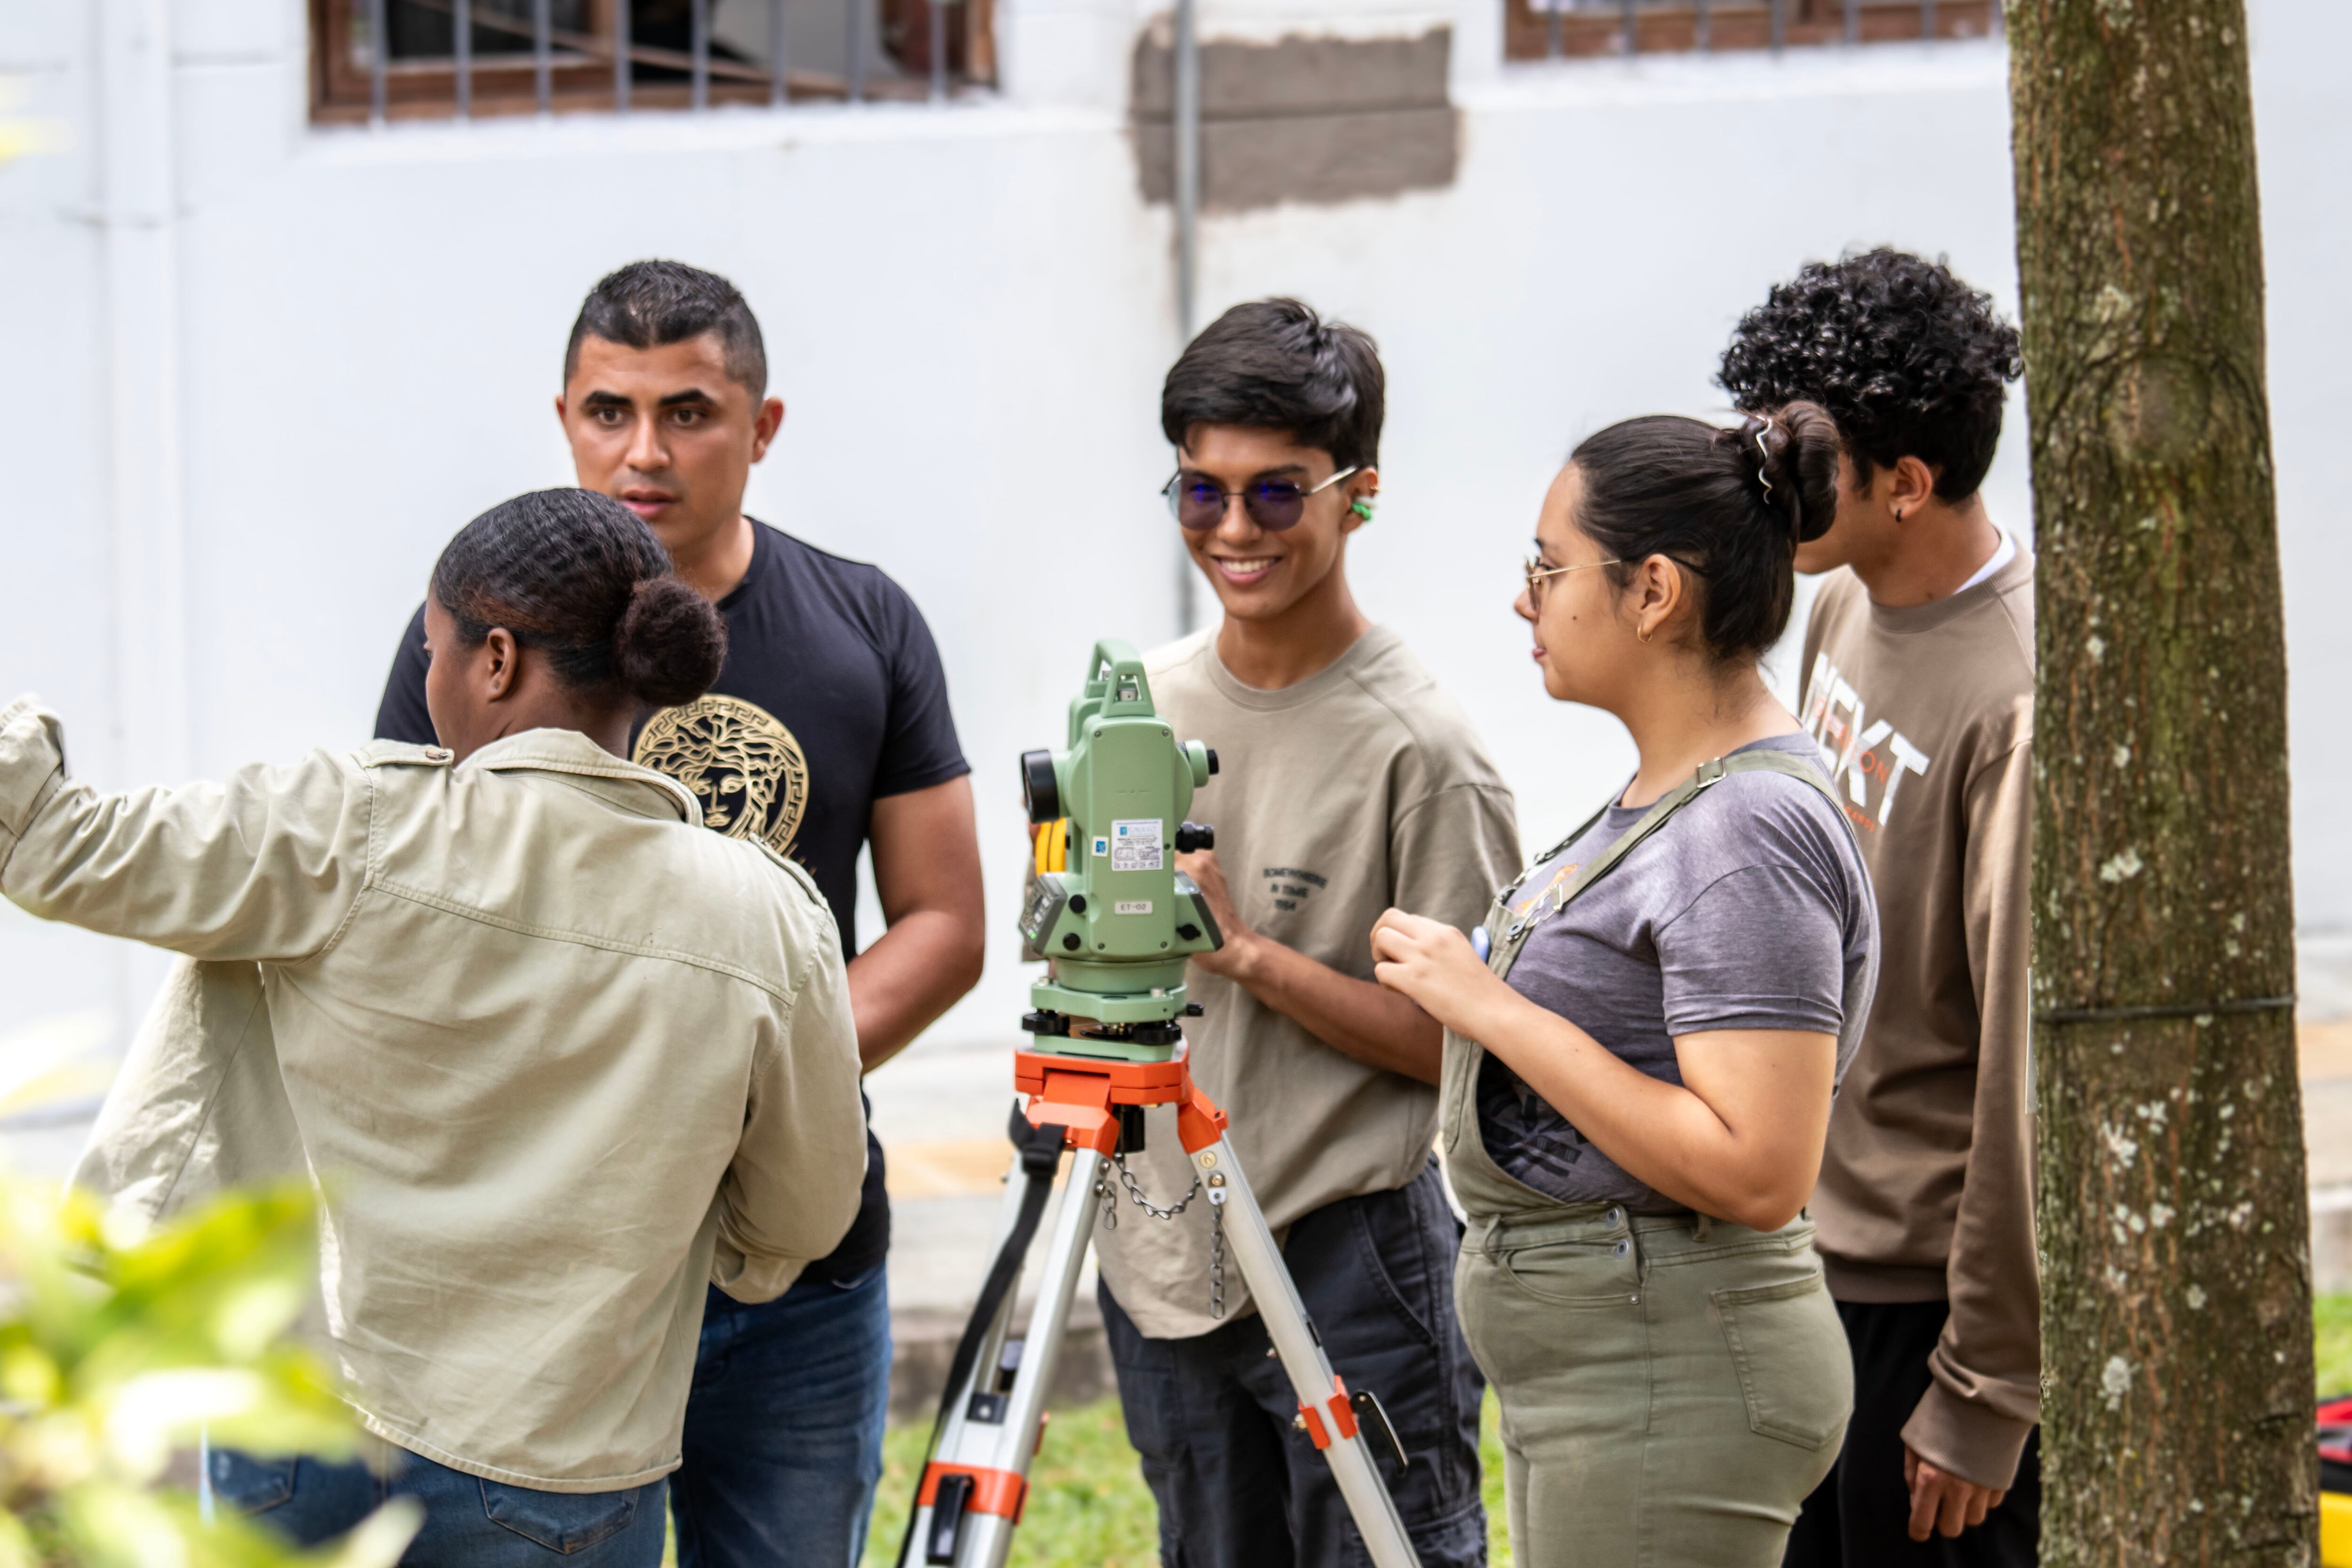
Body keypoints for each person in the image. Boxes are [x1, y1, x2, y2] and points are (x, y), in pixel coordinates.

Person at [18, 489, 869, 1564]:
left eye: (433, 648)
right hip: (569, 1471)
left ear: (496, 659)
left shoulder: (349, 826)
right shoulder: (765, 912)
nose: (427, 680)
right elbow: (808, 1206)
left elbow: (45, 841)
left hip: (313, 1429)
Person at [371, 260, 984, 1568]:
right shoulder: (473, 637)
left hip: (798, 1265)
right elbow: (402, 913)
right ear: (564, 419)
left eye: (691, 412)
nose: (644, 450)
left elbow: (943, 920)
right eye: (609, 410)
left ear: (762, 428)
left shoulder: (864, 622)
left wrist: (753, 1079)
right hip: (548, 1260)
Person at [1370, 404, 1880, 1567]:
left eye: (1547, 570)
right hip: (1623, 1369)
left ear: (1654, 591)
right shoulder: (1685, 794)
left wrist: (1491, 1006)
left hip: (1672, 1373)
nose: (1524, 599)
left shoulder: (1745, 828)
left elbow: (1758, 1163)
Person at [1090, 298, 1518, 1568]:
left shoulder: (1423, 749)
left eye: (1275, 495)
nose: (1232, 529)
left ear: (1357, 494)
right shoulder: (1139, 708)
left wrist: (1250, 955)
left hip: (1349, 1249)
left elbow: (1471, 1053)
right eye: (1199, 491)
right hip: (1160, 1234)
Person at [1718, 250, 2040, 1565]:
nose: (1764, 471)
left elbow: (2027, 1079)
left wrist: (1982, 1388)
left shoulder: (2019, 699)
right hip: (1806, 1247)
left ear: (1907, 484)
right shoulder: (1839, 590)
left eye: (1800, 449)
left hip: (1920, 1303)